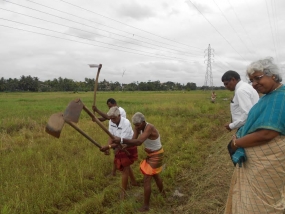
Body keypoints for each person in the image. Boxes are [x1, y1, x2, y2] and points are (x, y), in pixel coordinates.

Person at [224, 57, 285, 213]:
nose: (254, 83)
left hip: (269, 160)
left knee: (261, 204)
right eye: (251, 80)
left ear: (273, 75)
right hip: (257, 159)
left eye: (258, 78)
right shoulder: (268, 96)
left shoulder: (280, 97)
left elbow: (267, 133)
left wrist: (236, 143)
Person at [111, 112, 165, 212]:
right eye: (135, 125)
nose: (136, 127)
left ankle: (146, 206)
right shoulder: (138, 127)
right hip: (151, 155)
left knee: (147, 179)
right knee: (155, 175)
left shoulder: (149, 127)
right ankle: (163, 194)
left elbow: (139, 142)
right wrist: (125, 146)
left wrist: (122, 140)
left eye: (138, 125)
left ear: (143, 122)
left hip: (157, 154)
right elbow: (133, 140)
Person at [99, 107, 138, 199]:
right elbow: (111, 136)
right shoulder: (111, 122)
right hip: (118, 144)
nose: (112, 120)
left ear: (119, 116)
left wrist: (108, 147)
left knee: (125, 168)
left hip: (127, 144)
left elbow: (121, 141)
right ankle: (134, 182)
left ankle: (123, 193)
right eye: (111, 118)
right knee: (126, 165)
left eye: (114, 118)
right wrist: (108, 147)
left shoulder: (126, 123)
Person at [92, 98, 126, 175]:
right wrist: (96, 119)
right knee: (117, 154)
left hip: (121, 136)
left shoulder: (120, 110)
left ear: (115, 104)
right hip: (113, 134)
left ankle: (115, 172)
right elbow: (105, 118)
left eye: (110, 106)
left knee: (118, 153)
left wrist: (97, 110)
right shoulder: (112, 114)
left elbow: (108, 117)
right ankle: (118, 171)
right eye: (108, 107)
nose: (109, 108)